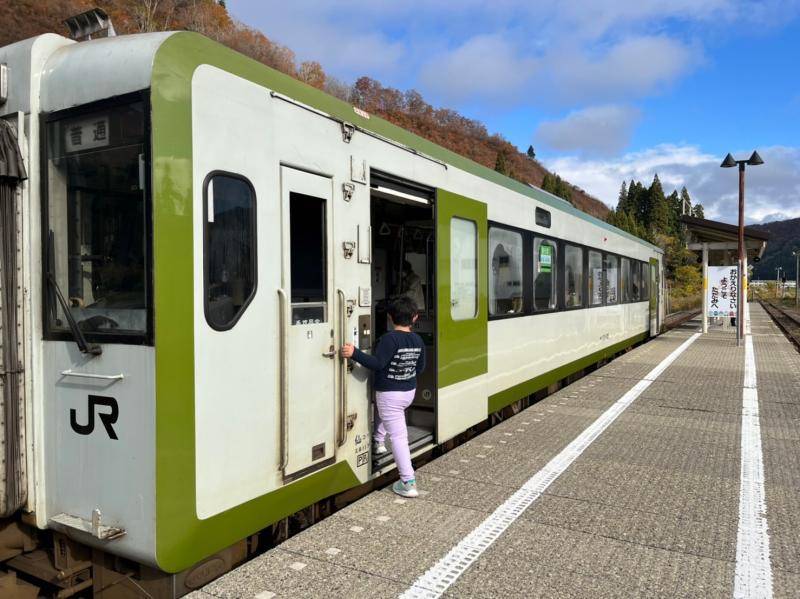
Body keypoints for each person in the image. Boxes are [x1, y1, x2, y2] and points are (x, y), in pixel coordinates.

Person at [341, 297, 425, 498]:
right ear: (415, 317)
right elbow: (420, 368)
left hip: (390, 393)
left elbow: (377, 363)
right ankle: (378, 441)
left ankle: (408, 482)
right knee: (386, 413)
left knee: (398, 437)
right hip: (408, 392)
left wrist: (354, 353)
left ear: (389, 317)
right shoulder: (418, 340)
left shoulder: (389, 339)